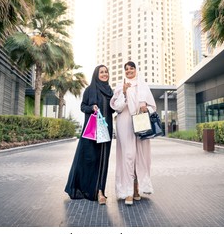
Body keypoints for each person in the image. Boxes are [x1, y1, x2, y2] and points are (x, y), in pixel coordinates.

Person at [65, 65, 114, 205]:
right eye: (101, 72)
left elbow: (113, 109)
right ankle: (86, 189)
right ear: (96, 74)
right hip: (92, 131)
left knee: (103, 160)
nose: (104, 74)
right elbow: (82, 107)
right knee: (90, 159)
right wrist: (91, 108)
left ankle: (100, 192)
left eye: (106, 72)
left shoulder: (110, 91)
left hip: (106, 129)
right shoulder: (90, 89)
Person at [110, 61, 156, 205]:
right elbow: (116, 108)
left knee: (140, 156)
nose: (129, 71)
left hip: (141, 124)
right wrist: (124, 93)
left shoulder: (143, 86)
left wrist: (146, 109)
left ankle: (138, 188)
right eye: (127, 69)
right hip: (125, 124)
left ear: (136, 70)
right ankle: (128, 192)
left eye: (131, 68)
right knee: (128, 155)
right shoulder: (120, 85)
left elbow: (153, 107)